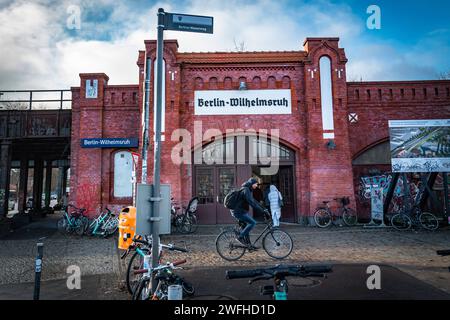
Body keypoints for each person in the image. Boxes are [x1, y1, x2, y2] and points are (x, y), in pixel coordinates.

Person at [231, 178, 270, 248]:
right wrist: (262, 211)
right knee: (253, 222)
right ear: (252, 184)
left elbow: (254, 201)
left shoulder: (248, 190)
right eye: (256, 184)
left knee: (246, 228)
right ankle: (240, 237)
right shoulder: (246, 190)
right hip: (238, 212)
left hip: (240, 211)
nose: (256, 185)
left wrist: (264, 208)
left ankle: (249, 245)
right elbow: (251, 203)